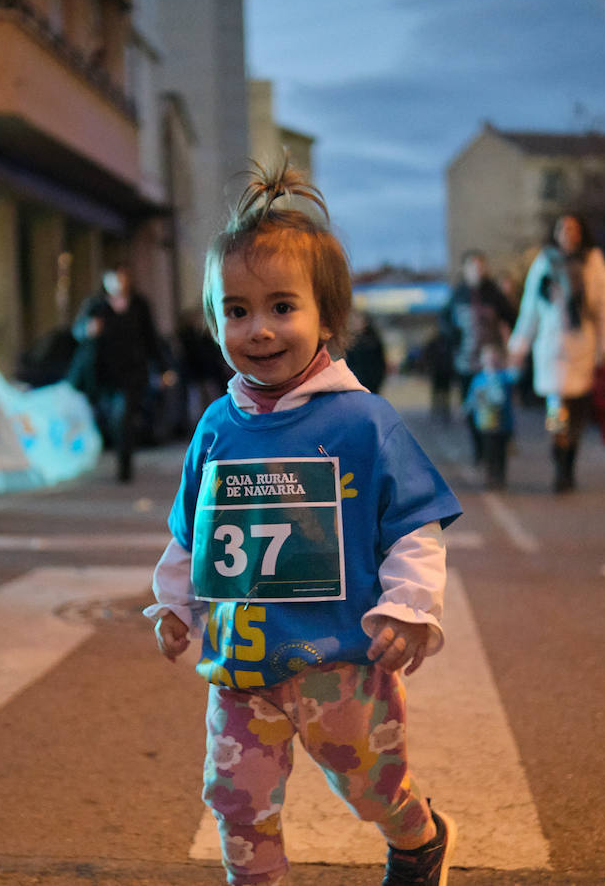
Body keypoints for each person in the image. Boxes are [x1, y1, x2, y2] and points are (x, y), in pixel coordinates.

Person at [145, 160, 462, 886]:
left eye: (282, 306)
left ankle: (418, 839)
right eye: (236, 311)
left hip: (343, 661)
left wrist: (409, 607)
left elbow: (414, 524)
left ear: (327, 315)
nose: (258, 330)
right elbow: (194, 530)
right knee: (235, 799)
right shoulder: (217, 427)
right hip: (241, 666)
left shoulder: (363, 422)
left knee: (373, 787)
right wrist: (173, 600)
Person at [509, 213, 605, 492]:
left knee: (579, 412)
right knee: (556, 412)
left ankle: (570, 461)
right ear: (555, 232)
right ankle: (559, 462)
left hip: (583, 346)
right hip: (552, 348)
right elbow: (530, 309)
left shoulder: (593, 263)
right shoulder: (544, 262)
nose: (568, 233)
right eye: (562, 228)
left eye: (573, 228)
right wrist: (519, 346)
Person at [69, 262, 168, 482]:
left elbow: (151, 339)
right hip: (102, 375)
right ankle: (120, 454)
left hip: (132, 373)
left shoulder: (139, 305)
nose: (119, 282)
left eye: (123, 277)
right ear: (105, 281)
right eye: (114, 277)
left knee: (122, 417)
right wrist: (88, 329)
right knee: (112, 418)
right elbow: (77, 330)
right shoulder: (95, 305)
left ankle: (125, 467)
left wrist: (161, 369)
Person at [440, 249, 514, 461]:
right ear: (464, 269)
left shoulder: (493, 293)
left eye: (481, 265)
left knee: (494, 407)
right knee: (471, 408)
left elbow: (511, 316)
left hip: (490, 363)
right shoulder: (458, 294)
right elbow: (443, 320)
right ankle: (479, 446)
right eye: (472, 265)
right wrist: (453, 336)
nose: (477, 270)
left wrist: (512, 346)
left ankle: (495, 447)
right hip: (466, 362)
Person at [464, 342, 518, 489]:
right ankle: (490, 477)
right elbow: (471, 400)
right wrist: (467, 412)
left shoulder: (505, 376)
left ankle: (500, 477)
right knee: (489, 451)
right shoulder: (478, 379)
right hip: (485, 423)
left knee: (501, 452)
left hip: (504, 423)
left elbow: (517, 374)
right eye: (487, 357)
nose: (491, 360)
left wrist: (513, 350)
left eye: (494, 357)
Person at [344, 308, 388, 394]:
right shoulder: (350, 340)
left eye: (356, 319)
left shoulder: (371, 340)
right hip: (355, 384)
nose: (353, 323)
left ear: (364, 322)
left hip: (370, 384)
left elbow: (379, 364)